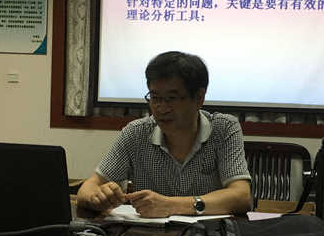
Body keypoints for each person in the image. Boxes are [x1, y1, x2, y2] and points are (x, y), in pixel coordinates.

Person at [77, 51, 251, 218]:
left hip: (209, 235)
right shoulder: (137, 133)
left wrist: (171, 206)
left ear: (199, 98)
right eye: (155, 98)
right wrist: (98, 197)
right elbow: (88, 188)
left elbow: (241, 196)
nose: (162, 108)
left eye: (172, 98)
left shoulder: (223, 128)